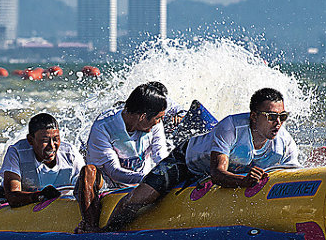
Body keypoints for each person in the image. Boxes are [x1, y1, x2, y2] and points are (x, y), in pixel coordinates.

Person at [103, 87, 300, 231]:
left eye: (283, 116)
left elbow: (293, 176)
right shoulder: (231, 126)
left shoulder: (284, 143)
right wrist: (244, 181)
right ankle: (105, 232)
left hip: (233, 171)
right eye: (271, 116)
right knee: (141, 198)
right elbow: (217, 174)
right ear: (254, 117)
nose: (278, 123)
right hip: (185, 162)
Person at [75, 82, 170, 233]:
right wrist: (150, 179)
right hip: (107, 185)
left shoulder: (155, 125)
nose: (159, 122)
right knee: (89, 171)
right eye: (157, 118)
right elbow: (114, 172)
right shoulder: (103, 127)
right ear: (143, 117)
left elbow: (161, 157)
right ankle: (91, 227)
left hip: (138, 184)